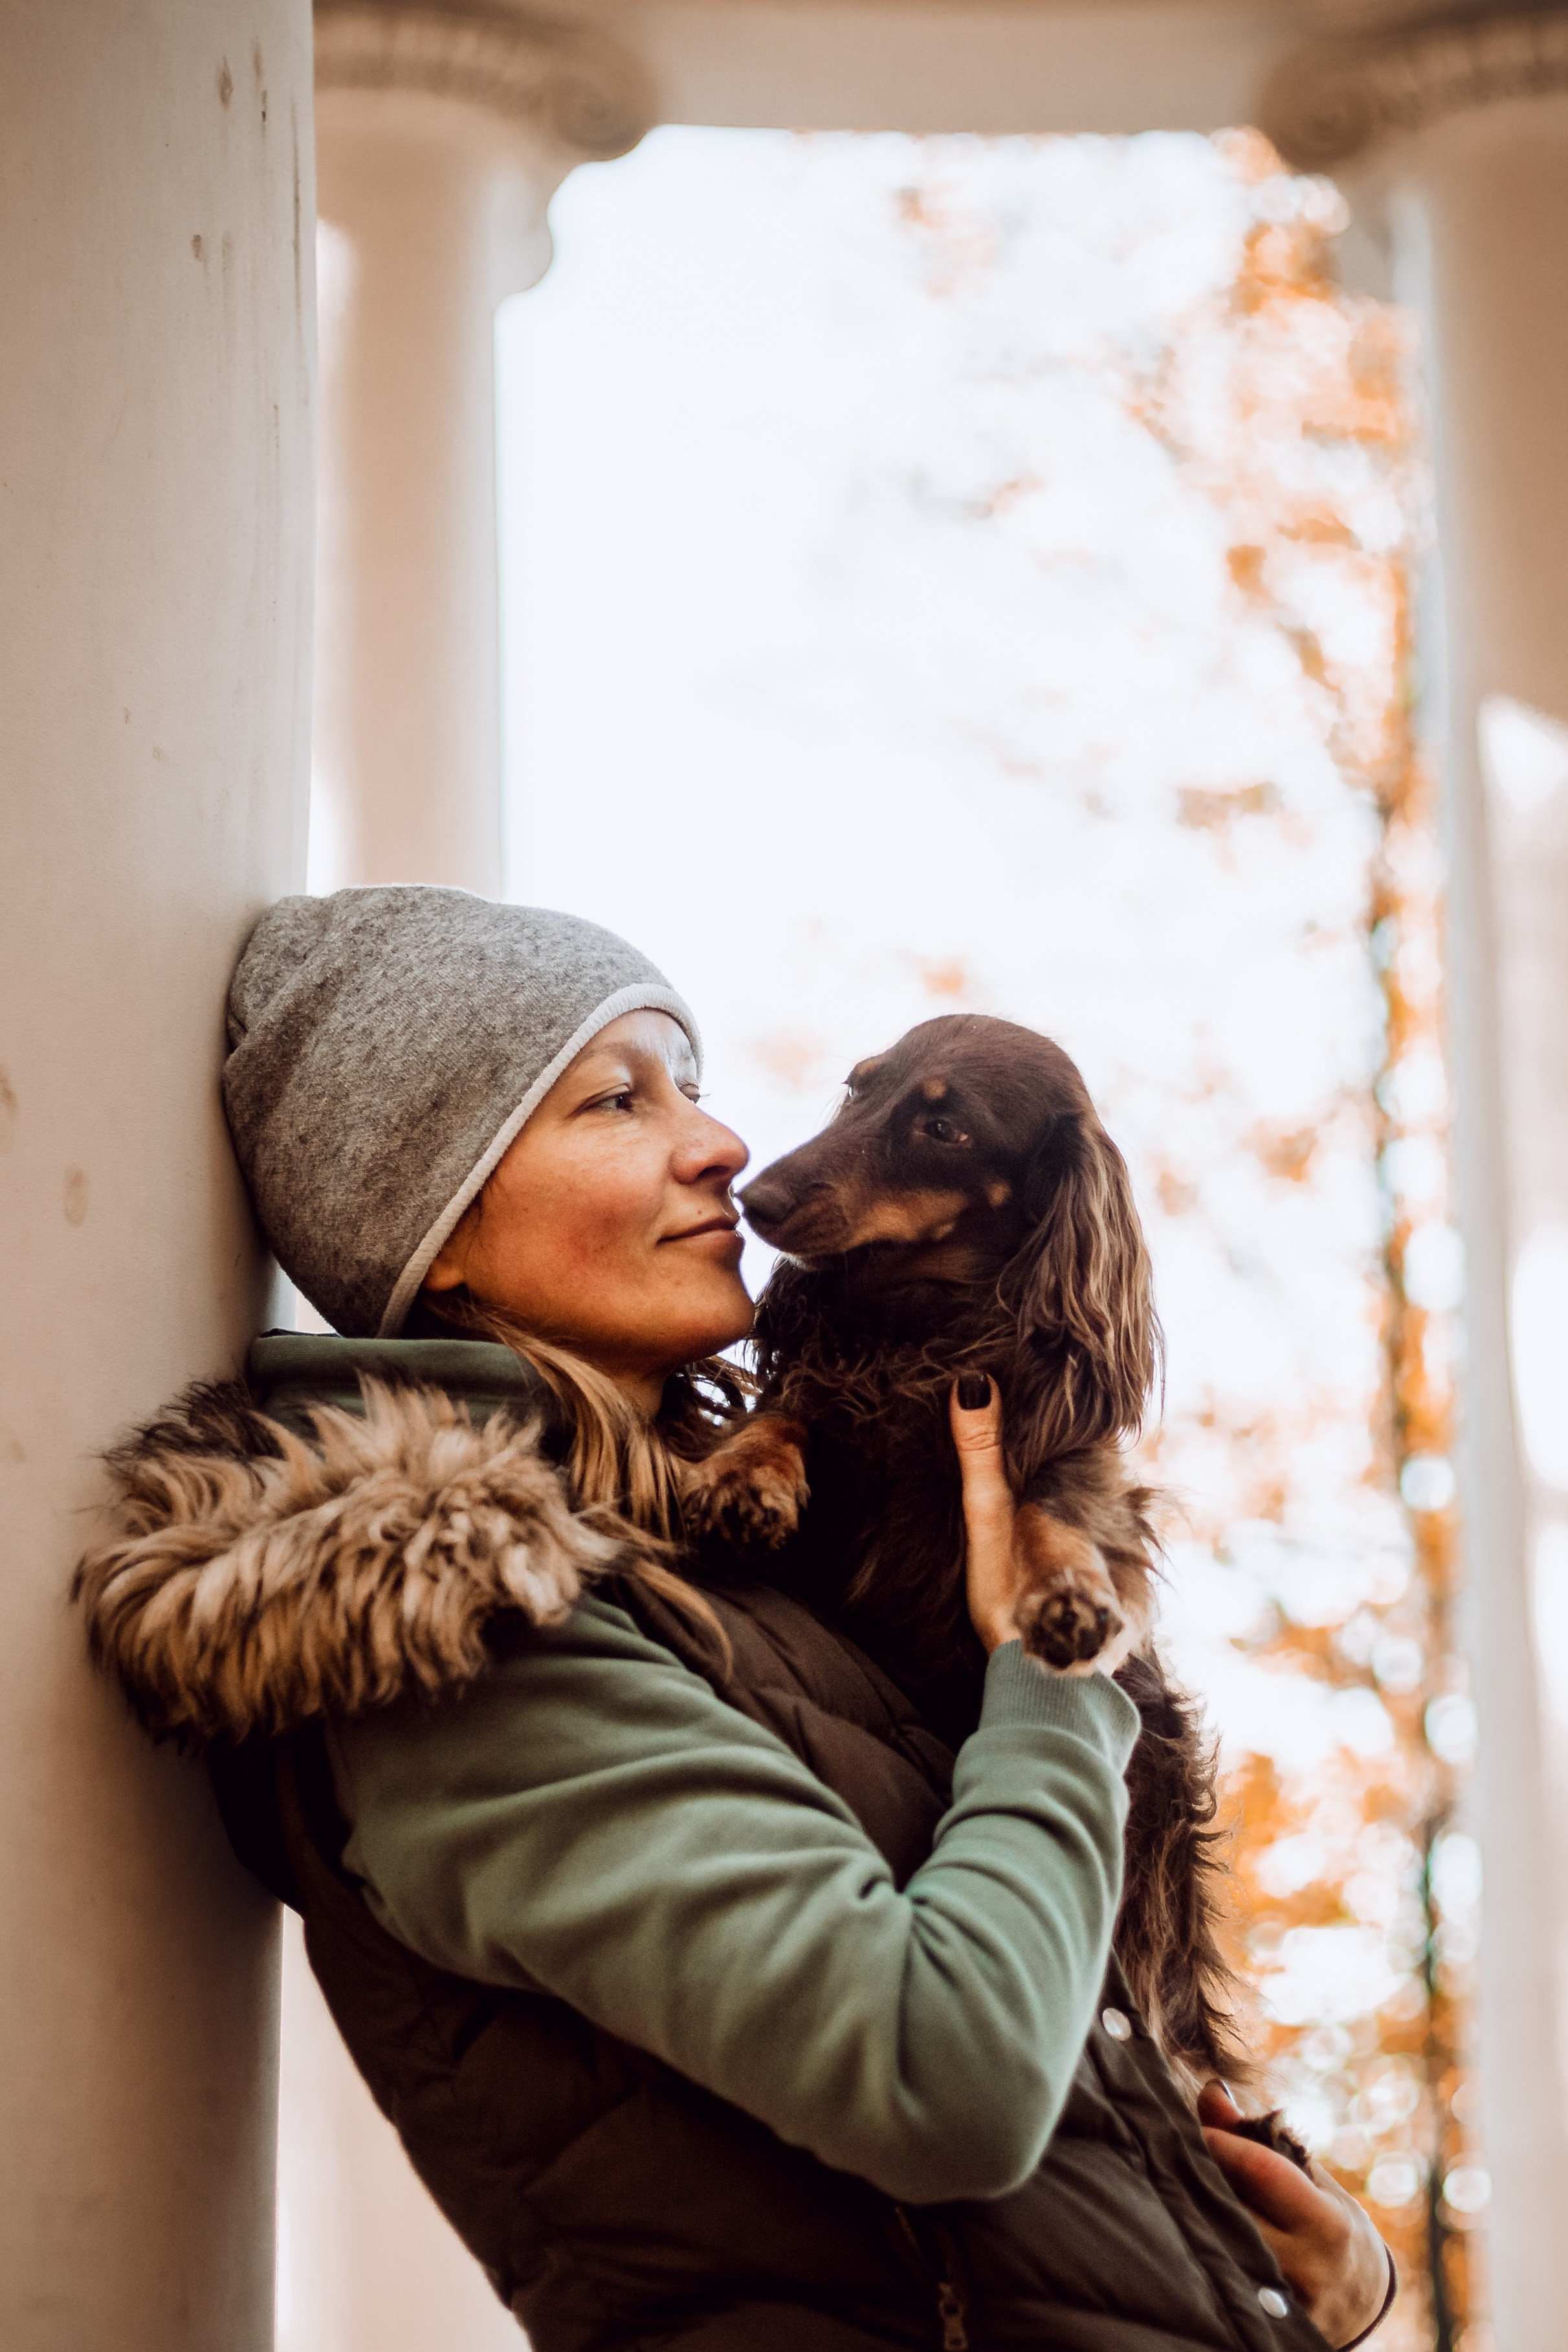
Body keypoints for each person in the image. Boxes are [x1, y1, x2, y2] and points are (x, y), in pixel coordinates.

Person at [77, 887, 1394, 2351]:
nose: (723, 1142)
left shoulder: (751, 1563)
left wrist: (1305, 2285)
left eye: (693, 1085)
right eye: (617, 1099)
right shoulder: (457, 1636)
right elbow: (944, 2079)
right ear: (434, 1227)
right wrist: (1054, 1667)